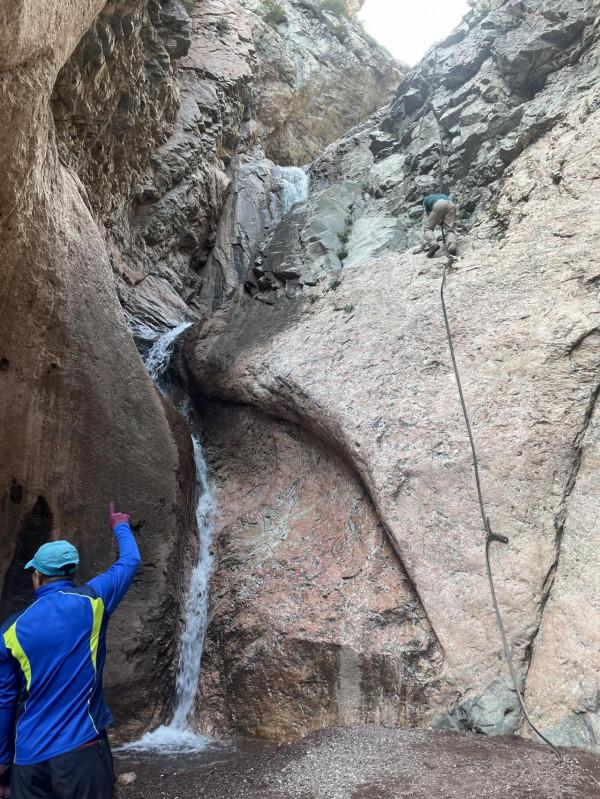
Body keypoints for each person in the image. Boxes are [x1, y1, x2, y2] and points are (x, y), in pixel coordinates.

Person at [0, 502, 141, 799]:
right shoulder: (93, 603)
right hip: (82, 750)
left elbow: (4, 700)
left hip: (28, 760)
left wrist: (3, 763)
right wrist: (120, 525)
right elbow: (130, 561)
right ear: (73, 572)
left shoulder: (10, 631)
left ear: (37, 576)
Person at [422, 187, 458, 257]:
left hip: (439, 204)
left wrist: (439, 222)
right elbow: (444, 212)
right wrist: (442, 221)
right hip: (451, 204)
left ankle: (433, 244)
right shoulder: (442, 195)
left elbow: (430, 216)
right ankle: (452, 245)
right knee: (450, 229)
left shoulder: (426, 200)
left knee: (427, 228)